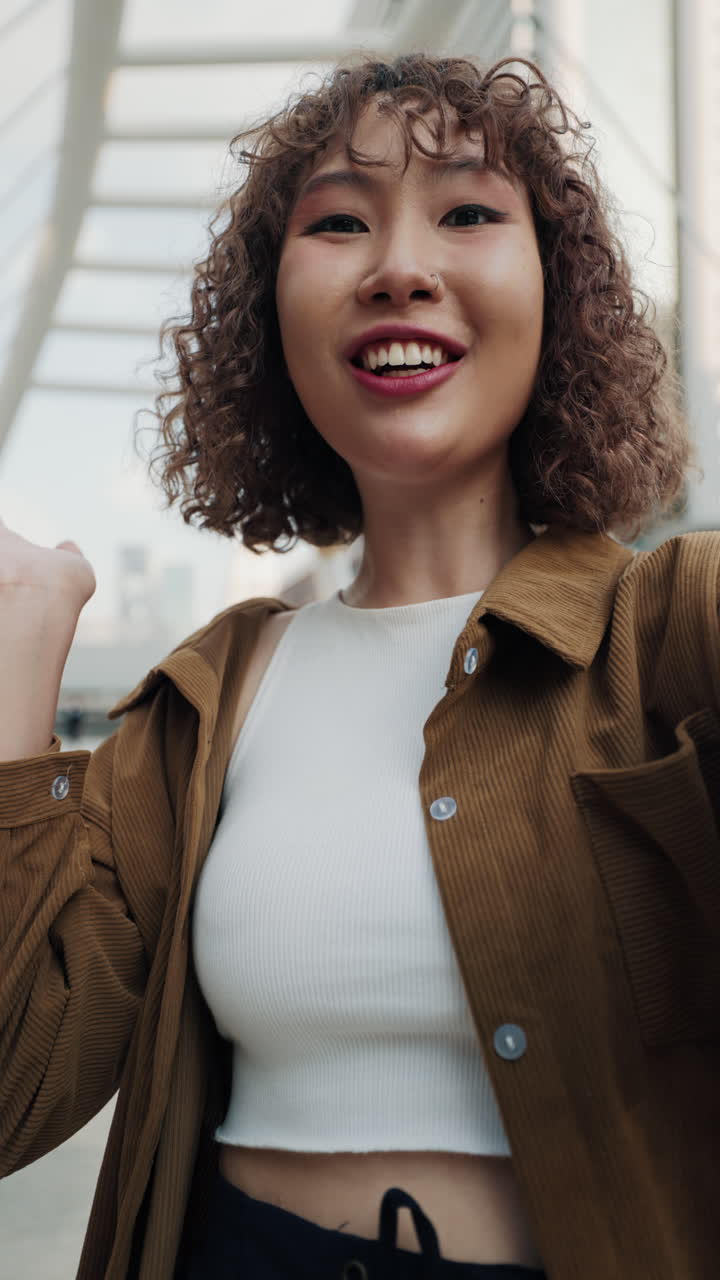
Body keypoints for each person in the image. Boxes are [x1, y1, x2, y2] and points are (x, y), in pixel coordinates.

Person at [1, 52, 718, 1280]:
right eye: (338, 221)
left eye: (470, 211)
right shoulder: (201, 706)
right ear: (269, 318)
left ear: (562, 296)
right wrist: (21, 639)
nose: (399, 265)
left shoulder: (671, 627)